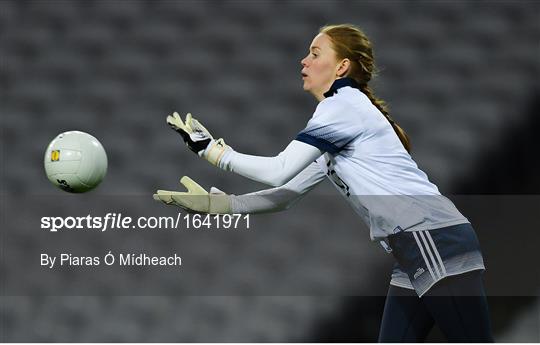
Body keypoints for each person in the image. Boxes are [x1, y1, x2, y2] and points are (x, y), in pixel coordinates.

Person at [154, 24, 494, 342]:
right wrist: (221, 205)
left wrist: (214, 152)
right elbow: (286, 194)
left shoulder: (342, 106)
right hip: (417, 247)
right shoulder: (342, 117)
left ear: (342, 67)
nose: (304, 60)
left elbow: (279, 169)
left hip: (431, 238)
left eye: (316, 53)